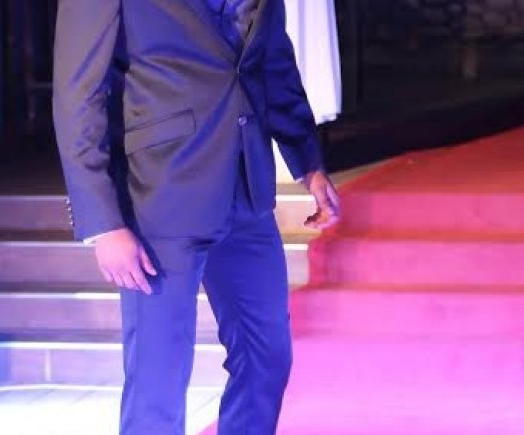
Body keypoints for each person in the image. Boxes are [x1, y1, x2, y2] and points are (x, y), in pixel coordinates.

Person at [52, 1, 340, 434]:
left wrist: (308, 162)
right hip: (159, 193)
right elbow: (78, 95)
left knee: (266, 356)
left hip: (246, 189)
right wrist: (102, 222)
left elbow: (271, 60)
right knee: (158, 378)